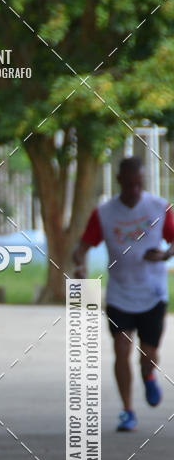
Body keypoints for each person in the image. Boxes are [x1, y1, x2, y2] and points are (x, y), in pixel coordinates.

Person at [73, 156, 174, 432]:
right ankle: (127, 411)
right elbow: (82, 246)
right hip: (119, 294)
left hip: (153, 294)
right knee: (121, 348)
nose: (134, 190)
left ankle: (149, 375)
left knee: (148, 354)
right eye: (129, 185)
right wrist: (80, 264)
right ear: (119, 182)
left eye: (138, 185)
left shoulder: (158, 207)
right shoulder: (104, 213)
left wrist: (165, 254)